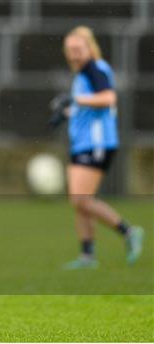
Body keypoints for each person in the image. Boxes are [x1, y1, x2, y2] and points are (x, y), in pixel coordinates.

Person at [49, 26, 144, 269]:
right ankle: (87, 256)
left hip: (97, 143)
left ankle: (128, 231)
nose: (74, 55)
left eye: (78, 49)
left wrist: (75, 100)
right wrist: (67, 113)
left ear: (89, 48)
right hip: (83, 143)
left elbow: (108, 98)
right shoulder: (82, 74)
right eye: (69, 51)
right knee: (79, 201)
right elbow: (87, 106)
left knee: (81, 199)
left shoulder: (95, 68)